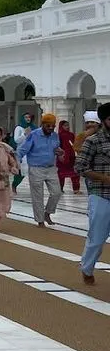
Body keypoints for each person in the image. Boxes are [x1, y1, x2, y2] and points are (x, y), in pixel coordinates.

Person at [73, 102, 110, 285]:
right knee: (97, 237)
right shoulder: (93, 141)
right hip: (101, 194)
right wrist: (104, 178)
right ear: (104, 121)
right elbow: (80, 167)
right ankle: (87, 268)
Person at [17, 113, 64, 227]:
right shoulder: (34, 135)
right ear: (42, 124)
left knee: (56, 193)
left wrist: (60, 152)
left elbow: (57, 148)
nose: (51, 128)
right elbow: (22, 150)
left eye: (52, 126)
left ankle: (47, 213)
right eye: (48, 126)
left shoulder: (54, 135)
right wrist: (15, 163)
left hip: (51, 168)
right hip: (36, 168)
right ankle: (40, 220)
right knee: (38, 196)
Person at [57, 120, 80, 194]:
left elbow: (74, 144)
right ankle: (60, 189)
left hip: (72, 156)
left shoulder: (71, 135)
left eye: (68, 125)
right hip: (63, 157)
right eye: (65, 125)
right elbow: (57, 146)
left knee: (75, 173)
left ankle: (76, 189)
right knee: (61, 175)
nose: (67, 127)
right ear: (61, 126)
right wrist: (60, 155)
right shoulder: (59, 135)